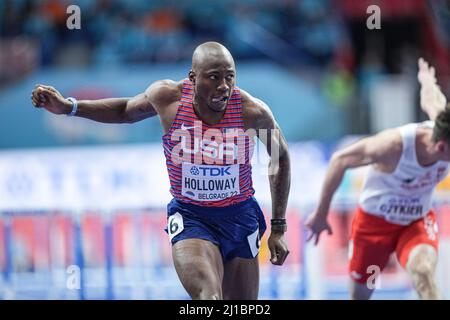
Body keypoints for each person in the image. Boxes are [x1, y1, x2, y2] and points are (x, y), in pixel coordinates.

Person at [31, 42, 291, 300]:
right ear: (193, 77)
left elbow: (280, 156)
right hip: (192, 218)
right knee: (208, 296)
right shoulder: (168, 98)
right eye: (214, 77)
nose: (223, 86)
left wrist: (278, 226)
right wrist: (68, 107)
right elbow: (124, 111)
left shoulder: (252, 112)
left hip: (240, 217)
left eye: (229, 77)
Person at [305, 58, 449, 300]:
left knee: (423, 272)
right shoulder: (393, 146)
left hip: (415, 221)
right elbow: (340, 160)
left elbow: (433, 100)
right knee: (360, 296)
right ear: (441, 146)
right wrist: (321, 214)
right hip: (373, 225)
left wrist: (427, 79)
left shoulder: (443, 125)